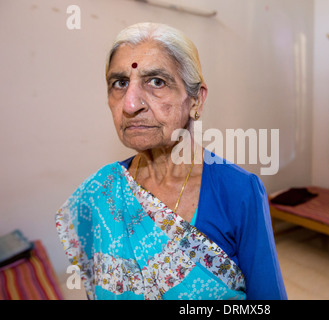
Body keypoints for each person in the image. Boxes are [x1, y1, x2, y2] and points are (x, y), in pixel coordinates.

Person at [56, 22, 287, 300]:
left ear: (195, 101)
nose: (130, 105)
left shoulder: (240, 191)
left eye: (156, 82)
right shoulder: (100, 191)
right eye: (119, 83)